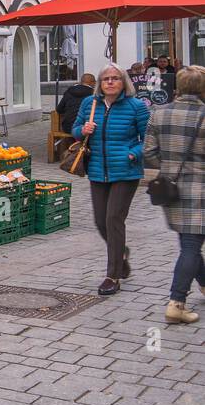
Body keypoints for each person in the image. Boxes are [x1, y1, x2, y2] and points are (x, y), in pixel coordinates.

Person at [74, 64, 150, 296]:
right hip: (98, 170)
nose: (110, 82)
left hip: (126, 171)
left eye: (115, 78)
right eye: (105, 78)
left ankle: (112, 276)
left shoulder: (136, 107)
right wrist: (82, 130)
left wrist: (133, 153)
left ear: (123, 82)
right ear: (99, 82)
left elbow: (148, 139)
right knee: (100, 221)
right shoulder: (90, 104)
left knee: (113, 219)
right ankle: (122, 253)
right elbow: (75, 129)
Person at [143, 65, 205, 324]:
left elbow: (148, 153)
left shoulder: (159, 113)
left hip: (172, 189)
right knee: (191, 246)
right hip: (201, 190)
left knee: (189, 242)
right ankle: (176, 303)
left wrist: (169, 168)